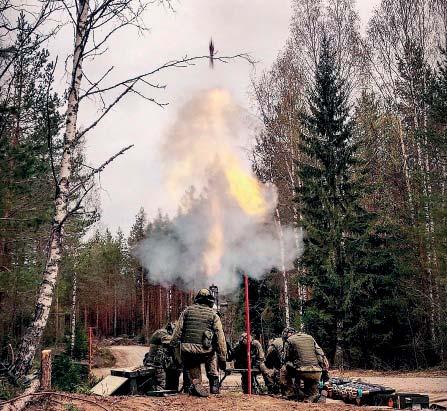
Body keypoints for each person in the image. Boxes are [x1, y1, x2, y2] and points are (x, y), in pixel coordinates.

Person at [170, 288, 227, 397]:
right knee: (211, 356)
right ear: (210, 300)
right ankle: (214, 386)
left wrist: (175, 351)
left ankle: (196, 383)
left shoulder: (186, 311)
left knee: (192, 364)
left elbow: (176, 334)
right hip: (205, 352)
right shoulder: (213, 315)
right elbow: (220, 338)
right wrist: (223, 357)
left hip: (188, 352)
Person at [280, 327, 329, 402]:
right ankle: (313, 397)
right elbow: (320, 354)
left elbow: (285, 358)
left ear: (288, 334)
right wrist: (324, 371)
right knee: (311, 392)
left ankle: (291, 394)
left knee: (284, 368)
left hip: (301, 372)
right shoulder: (310, 337)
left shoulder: (289, 340)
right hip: (316, 372)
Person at [143, 322, 180, 391]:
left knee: (174, 372)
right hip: (156, 366)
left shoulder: (166, 333)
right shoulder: (161, 333)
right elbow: (172, 341)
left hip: (162, 366)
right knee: (160, 389)